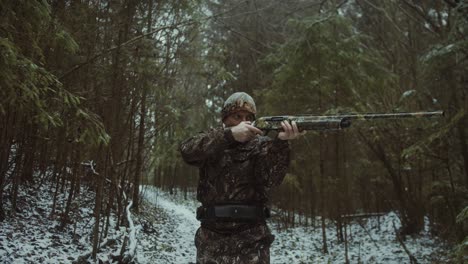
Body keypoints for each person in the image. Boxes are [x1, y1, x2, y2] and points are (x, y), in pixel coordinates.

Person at [179, 92, 304, 264]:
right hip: (211, 238)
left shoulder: (262, 144)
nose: (243, 121)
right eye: (237, 116)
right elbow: (187, 151)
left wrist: (282, 143)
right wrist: (229, 136)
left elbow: (271, 179)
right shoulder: (213, 139)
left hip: (252, 240)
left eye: (248, 117)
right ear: (225, 118)